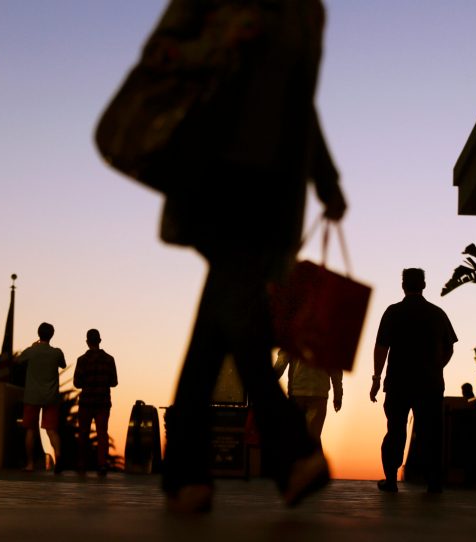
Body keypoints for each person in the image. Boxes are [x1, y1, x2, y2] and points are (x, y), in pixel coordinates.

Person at [99, 0, 347, 513]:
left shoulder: (305, 12)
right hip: (212, 174)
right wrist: (223, 38)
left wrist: (325, 178)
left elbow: (301, 101)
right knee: (239, 317)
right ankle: (292, 451)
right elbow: (160, 53)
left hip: (274, 191)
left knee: (219, 327)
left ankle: (188, 476)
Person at [370, 268, 458, 493]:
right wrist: (437, 367)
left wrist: (377, 378)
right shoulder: (437, 313)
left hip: (398, 383)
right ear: (424, 286)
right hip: (430, 384)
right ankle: (433, 482)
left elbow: (381, 347)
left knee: (396, 430)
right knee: (430, 432)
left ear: (403, 286)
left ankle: (390, 479)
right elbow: (449, 348)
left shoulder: (393, 312)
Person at [18, 322, 67, 473]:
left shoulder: (32, 351)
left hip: (32, 396)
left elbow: (18, 360)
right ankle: (58, 457)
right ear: (52, 335)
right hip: (51, 397)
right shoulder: (57, 352)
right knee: (51, 430)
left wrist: (33, 347)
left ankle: (30, 464)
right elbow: (63, 365)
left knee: (30, 430)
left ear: (38, 334)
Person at [274, 349, 342, 445]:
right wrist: (338, 395)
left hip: (296, 393)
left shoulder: (292, 335)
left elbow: (281, 363)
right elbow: (336, 370)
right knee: (312, 439)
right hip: (319, 394)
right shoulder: (328, 338)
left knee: (294, 437)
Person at [73, 328, 118, 476]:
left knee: (83, 433)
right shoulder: (109, 359)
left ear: (87, 342)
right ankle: (102, 464)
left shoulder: (82, 360)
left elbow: (77, 383)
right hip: (103, 402)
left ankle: (81, 464)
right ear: (99, 341)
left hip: (86, 402)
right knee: (102, 433)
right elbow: (114, 382)